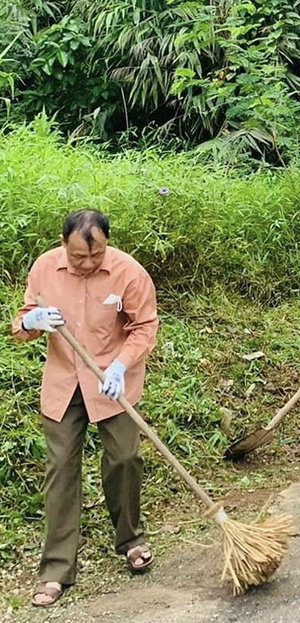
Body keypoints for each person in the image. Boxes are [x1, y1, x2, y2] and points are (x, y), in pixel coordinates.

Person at [13, 210, 159, 607]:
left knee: (125, 458)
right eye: (79, 257)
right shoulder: (45, 269)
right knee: (61, 470)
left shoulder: (128, 272)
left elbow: (144, 326)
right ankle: (57, 569)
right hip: (63, 384)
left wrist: (119, 364)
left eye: (95, 256)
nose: (88, 264)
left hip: (111, 382)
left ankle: (130, 539)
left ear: (106, 243)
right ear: (64, 244)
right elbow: (21, 324)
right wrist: (33, 321)